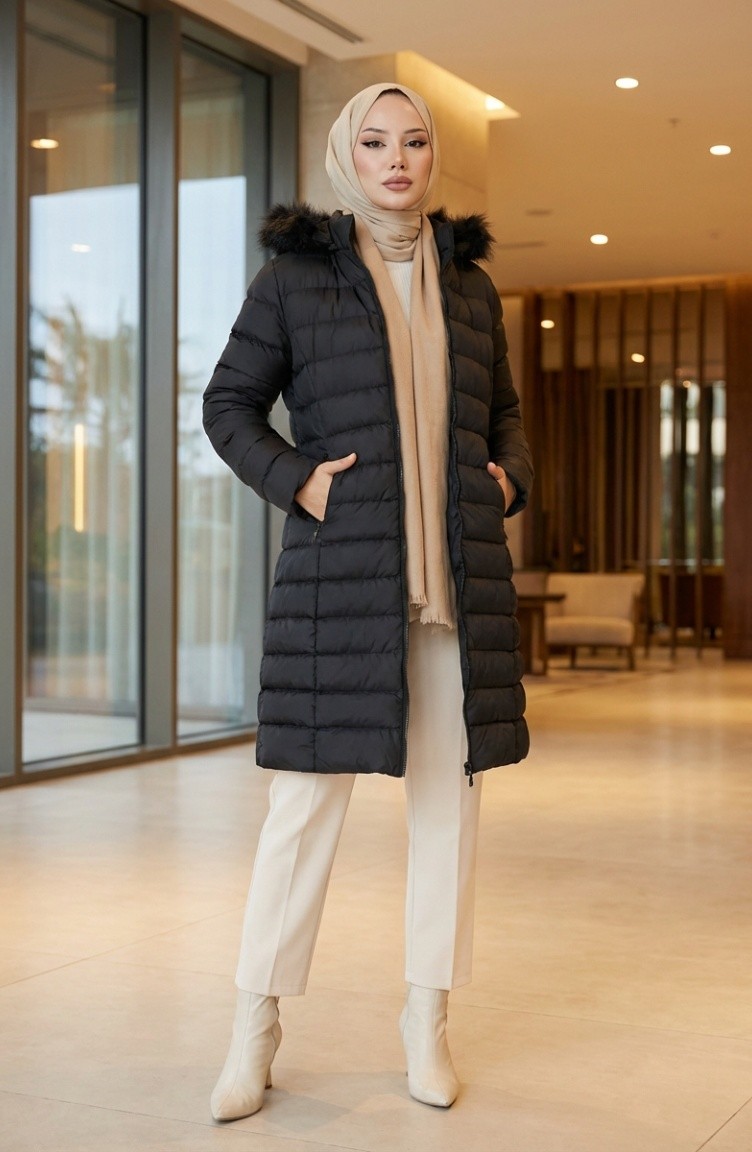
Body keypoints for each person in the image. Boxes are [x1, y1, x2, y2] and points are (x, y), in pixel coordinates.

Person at [202, 82, 533, 1121]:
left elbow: (506, 417)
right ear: (349, 155)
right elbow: (228, 405)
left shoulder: (470, 287)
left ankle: (426, 1020)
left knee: (448, 816)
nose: (397, 158)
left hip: (453, 593)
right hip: (337, 591)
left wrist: (508, 481)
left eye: (415, 141)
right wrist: (297, 479)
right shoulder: (294, 279)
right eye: (377, 141)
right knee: (301, 815)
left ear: (432, 157)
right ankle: (254, 1026)